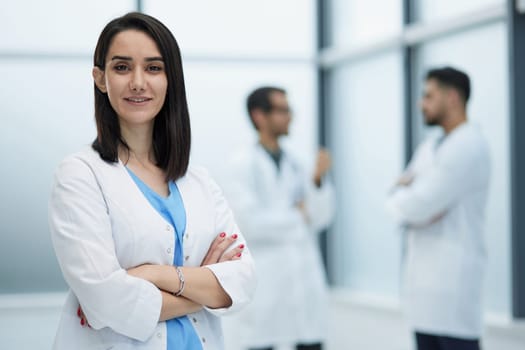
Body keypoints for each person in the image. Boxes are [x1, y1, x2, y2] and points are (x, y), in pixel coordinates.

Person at [48, 12, 256, 350]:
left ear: (170, 78)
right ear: (100, 79)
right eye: (122, 67)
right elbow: (107, 302)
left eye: (154, 68)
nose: (138, 82)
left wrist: (153, 275)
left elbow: (243, 281)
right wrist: (206, 286)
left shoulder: (199, 181)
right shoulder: (79, 175)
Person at [222, 86, 335, 350]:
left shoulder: (300, 162)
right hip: (267, 281)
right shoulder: (241, 163)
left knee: (310, 340)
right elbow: (250, 224)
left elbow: (321, 217)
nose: (290, 116)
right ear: (259, 115)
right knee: (262, 341)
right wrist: (298, 215)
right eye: (283, 110)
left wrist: (317, 182)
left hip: (304, 278)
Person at [386, 67, 490, 350]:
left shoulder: (468, 146)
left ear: (453, 97)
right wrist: (407, 198)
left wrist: (409, 197)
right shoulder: (430, 146)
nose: (422, 103)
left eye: (428, 96)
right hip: (424, 293)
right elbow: (400, 200)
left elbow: (419, 204)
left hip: (454, 290)